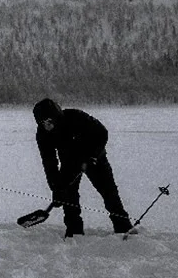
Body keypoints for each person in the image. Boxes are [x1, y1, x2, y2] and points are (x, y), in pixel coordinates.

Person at [32, 98, 132, 237]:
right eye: (42, 123)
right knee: (68, 196)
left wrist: (93, 156)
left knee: (109, 193)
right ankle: (74, 231)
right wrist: (56, 187)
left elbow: (102, 133)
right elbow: (49, 162)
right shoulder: (43, 134)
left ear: (56, 116)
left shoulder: (76, 117)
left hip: (95, 159)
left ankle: (123, 227)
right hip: (69, 162)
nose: (47, 126)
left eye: (49, 121)